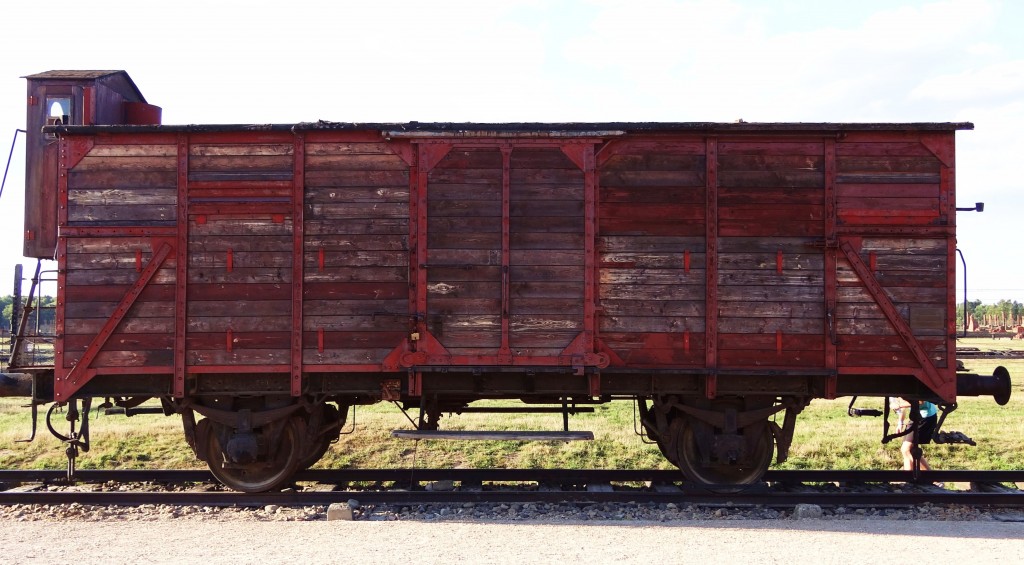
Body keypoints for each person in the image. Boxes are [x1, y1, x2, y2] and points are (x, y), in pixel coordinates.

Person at [892, 397, 938, 471]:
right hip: (917, 416)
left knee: (906, 450)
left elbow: (920, 401)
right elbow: (903, 406)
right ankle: (910, 474)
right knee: (909, 450)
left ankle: (929, 475)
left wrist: (900, 405)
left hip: (925, 417)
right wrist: (900, 423)